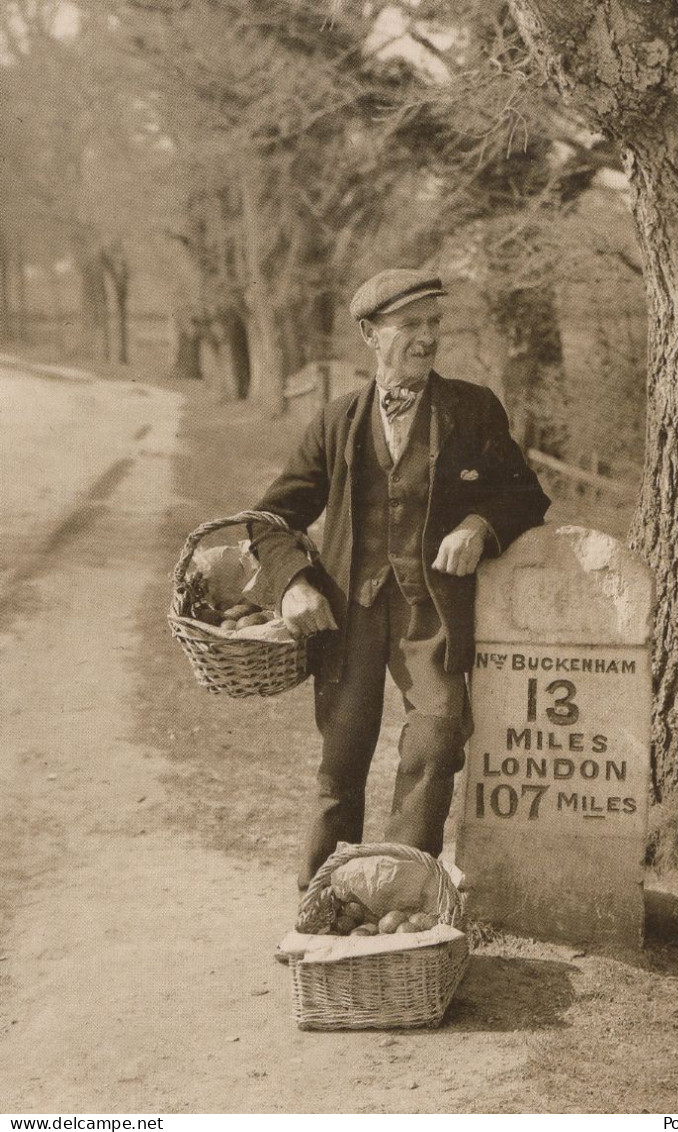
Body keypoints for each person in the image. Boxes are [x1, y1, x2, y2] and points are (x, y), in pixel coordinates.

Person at [249, 268, 550, 888]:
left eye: (434, 323)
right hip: (347, 614)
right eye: (409, 324)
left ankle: (399, 897)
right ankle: (322, 900)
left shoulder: (472, 409)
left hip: (432, 616)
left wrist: (477, 523)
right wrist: (294, 582)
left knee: (435, 747)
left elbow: (525, 496)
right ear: (369, 335)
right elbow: (269, 519)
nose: (427, 337)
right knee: (341, 761)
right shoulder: (337, 421)